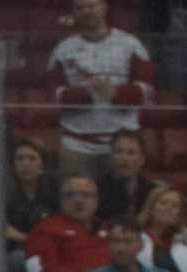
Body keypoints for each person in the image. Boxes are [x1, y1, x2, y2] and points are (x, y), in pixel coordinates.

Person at [46, 0, 154, 182]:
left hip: (121, 146)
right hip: (77, 145)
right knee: (76, 202)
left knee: (121, 204)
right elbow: (52, 95)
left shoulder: (130, 44)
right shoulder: (63, 49)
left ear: (104, 7)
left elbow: (147, 92)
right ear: (73, 12)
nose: (86, 11)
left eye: (91, 6)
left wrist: (115, 94)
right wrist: (86, 94)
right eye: (80, 8)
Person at [136, 187, 187, 272]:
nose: (168, 208)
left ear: (180, 213)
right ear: (151, 207)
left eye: (174, 206)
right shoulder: (135, 236)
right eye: (163, 203)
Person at [95, 129, 161, 224]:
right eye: (119, 152)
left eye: (131, 153)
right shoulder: (97, 189)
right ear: (111, 157)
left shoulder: (153, 191)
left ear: (142, 159)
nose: (124, 158)